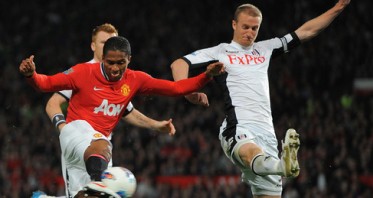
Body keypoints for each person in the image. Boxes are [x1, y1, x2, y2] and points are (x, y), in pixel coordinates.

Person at [171, 0, 350, 197]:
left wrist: (338, 8)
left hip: (267, 135)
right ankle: (283, 165)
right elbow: (179, 63)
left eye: (254, 28)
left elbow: (306, 31)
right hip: (238, 127)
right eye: (245, 27)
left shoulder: (265, 49)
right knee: (250, 154)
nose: (249, 32)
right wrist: (187, 93)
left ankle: (281, 164)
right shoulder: (219, 52)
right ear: (234, 24)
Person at [19, 36, 225, 197]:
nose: (115, 68)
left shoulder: (136, 79)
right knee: (102, 145)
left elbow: (176, 88)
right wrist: (31, 75)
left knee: (87, 195)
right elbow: (45, 84)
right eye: (110, 62)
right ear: (102, 59)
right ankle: (100, 182)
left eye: (121, 63)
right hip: (75, 133)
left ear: (129, 60)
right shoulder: (82, 72)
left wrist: (206, 75)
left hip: (96, 154)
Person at [39, 23, 177, 198]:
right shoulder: (83, 72)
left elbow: (128, 111)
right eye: (104, 42)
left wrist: (156, 125)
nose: (109, 45)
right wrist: (64, 128)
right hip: (80, 144)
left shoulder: (118, 77)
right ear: (93, 46)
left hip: (101, 150)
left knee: (91, 195)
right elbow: (52, 104)